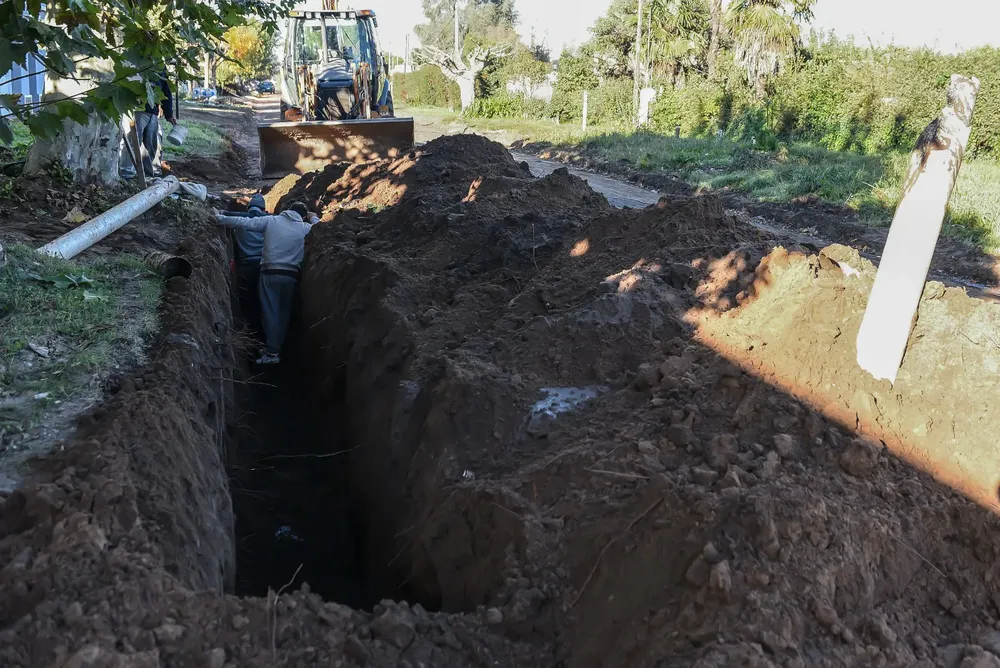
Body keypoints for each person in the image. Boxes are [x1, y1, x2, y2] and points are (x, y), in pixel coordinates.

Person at [215, 201, 319, 365]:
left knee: (270, 313)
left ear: (287, 210)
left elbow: (244, 222)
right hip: (291, 275)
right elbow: (321, 228)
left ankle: (272, 353)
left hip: (270, 273)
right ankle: (275, 348)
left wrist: (219, 218)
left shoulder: (272, 221)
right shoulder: (305, 228)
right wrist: (314, 218)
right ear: (303, 216)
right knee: (283, 314)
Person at [220, 194, 268, 334]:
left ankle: (250, 331)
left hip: (246, 267)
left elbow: (225, 215)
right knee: (265, 301)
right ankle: (264, 333)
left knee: (248, 300)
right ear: (263, 209)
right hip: (265, 267)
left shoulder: (240, 220)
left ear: (249, 208)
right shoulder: (269, 221)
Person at [121, 72, 175, 179]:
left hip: (152, 111)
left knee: (151, 144)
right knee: (133, 141)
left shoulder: (159, 65)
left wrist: (169, 114)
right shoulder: (137, 60)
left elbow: (165, 90)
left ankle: (148, 175)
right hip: (136, 108)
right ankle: (126, 174)